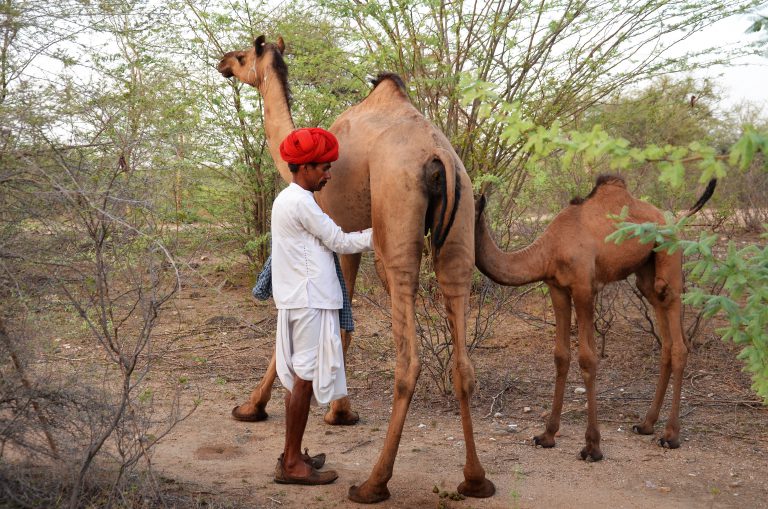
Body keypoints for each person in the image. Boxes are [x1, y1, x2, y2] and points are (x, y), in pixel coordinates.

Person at [271, 127, 373, 485]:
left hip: (302, 299)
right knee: (302, 381)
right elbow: (340, 241)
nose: (328, 174)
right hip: (309, 301)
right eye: (324, 167)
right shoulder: (300, 202)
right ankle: (291, 466)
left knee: (301, 379)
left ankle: (293, 454)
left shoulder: (289, 199)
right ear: (304, 167)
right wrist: (386, 231)